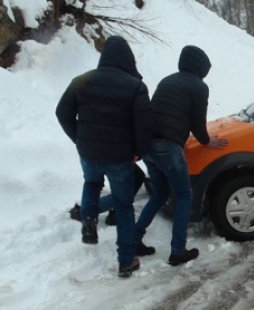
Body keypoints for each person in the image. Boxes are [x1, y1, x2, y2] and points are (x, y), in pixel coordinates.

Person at [56, 36, 152, 278]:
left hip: (88, 153)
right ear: (128, 59)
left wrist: (79, 138)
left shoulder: (82, 81)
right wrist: (138, 152)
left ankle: (89, 221)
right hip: (119, 157)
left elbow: (62, 112)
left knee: (92, 183)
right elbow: (143, 127)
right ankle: (126, 261)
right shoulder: (135, 87)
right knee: (124, 206)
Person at [136, 45, 228, 266]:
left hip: (148, 145)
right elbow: (197, 123)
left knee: (159, 194)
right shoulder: (199, 87)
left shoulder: (167, 81)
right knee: (184, 195)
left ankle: (134, 239)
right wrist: (207, 141)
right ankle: (177, 250)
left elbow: (161, 113)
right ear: (201, 68)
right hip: (168, 147)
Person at [68, 163, 146, 226]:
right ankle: (87, 212)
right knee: (126, 188)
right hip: (115, 152)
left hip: (89, 151)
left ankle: (88, 212)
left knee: (93, 184)